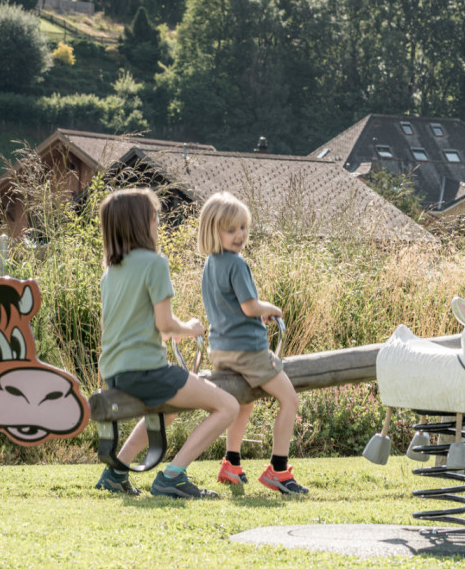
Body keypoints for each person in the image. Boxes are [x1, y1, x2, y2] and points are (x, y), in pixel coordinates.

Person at [93, 188, 239, 499]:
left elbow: (128, 328)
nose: (158, 221)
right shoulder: (154, 263)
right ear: (139, 222)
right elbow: (165, 324)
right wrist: (190, 327)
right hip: (147, 371)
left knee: (169, 412)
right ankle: (173, 476)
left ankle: (117, 473)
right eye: (155, 215)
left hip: (116, 373)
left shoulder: (110, 273)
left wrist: (168, 331)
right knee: (228, 406)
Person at [197, 192, 308, 495]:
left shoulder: (210, 264)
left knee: (244, 403)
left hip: (221, 350)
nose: (239, 236)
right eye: (231, 230)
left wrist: (253, 315)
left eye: (243, 228)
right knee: (289, 400)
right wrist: (269, 309)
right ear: (214, 231)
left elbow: (229, 308)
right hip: (248, 351)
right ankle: (279, 470)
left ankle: (232, 462)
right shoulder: (236, 263)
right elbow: (248, 306)